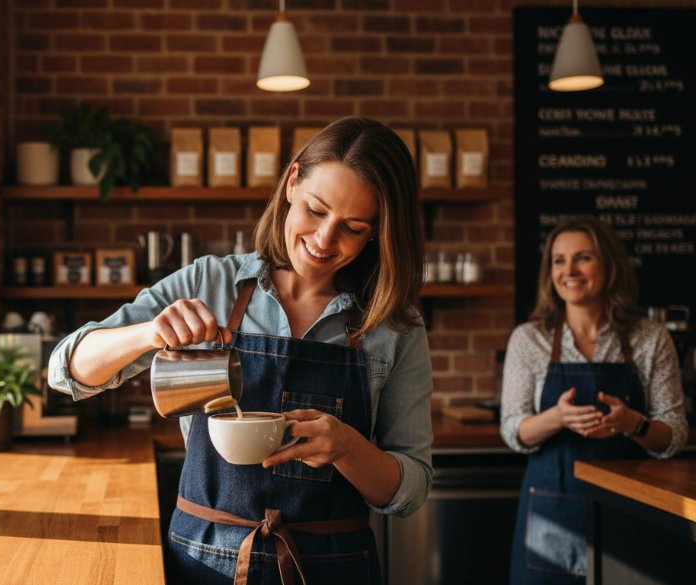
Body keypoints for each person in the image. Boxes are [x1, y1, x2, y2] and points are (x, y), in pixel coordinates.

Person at [48, 116, 434, 585]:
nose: (323, 240)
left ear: (377, 232)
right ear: (292, 182)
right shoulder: (208, 282)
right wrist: (148, 332)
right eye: (315, 210)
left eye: (352, 227)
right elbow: (65, 369)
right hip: (203, 559)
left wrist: (349, 448)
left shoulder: (394, 324)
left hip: (334, 567)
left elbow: (410, 488)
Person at [501, 217, 687, 585]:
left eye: (582, 258)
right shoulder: (529, 339)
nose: (568, 270)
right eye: (558, 260)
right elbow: (513, 430)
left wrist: (633, 423)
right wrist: (557, 417)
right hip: (551, 513)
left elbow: (675, 434)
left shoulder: (650, 338)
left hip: (631, 515)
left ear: (608, 266)